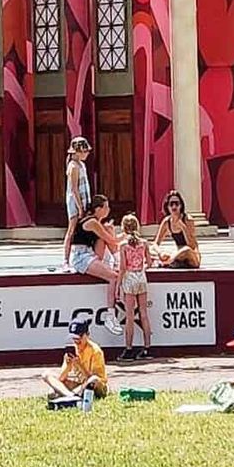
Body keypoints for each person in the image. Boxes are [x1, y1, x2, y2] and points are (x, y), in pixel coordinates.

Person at [63, 193, 122, 335]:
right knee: (113, 277)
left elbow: (107, 240)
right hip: (81, 257)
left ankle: (118, 260)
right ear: (98, 209)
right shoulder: (92, 222)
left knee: (105, 233)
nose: (108, 210)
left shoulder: (98, 224)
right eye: (106, 207)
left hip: (90, 254)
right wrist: (124, 234)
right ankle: (110, 315)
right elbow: (113, 241)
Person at [42, 316, 108, 402]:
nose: (77, 340)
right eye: (74, 337)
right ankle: (71, 396)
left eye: (80, 336)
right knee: (46, 374)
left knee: (93, 380)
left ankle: (68, 396)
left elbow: (94, 380)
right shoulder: (72, 350)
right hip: (78, 385)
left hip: (96, 387)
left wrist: (80, 365)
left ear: (87, 335)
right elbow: (61, 379)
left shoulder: (95, 351)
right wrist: (68, 366)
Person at [117, 214, 153, 361]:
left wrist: (118, 284)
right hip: (141, 277)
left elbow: (123, 267)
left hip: (130, 278)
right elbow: (149, 262)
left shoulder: (123, 246)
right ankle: (147, 347)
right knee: (144, 313)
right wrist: (142, 267)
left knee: (130, 316)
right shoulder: (144, 243)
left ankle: (129, 348)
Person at [155, 190, 201, 268]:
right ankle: (170, 261)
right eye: (171, 204)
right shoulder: (167, 221)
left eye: (177, 203)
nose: (174, 207)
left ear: (181, 205)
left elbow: (192, 246)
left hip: (192, 256)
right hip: (178, 255)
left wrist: (183, 227)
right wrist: (160, 252)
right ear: (167, 206)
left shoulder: (188, 220)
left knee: (186, 250)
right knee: (152, 250)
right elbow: (155, 244)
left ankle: (167, 263)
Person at [63, 137, 93, 247]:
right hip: (75, 202)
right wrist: (80, 207)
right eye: (85, 151)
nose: (87, 153)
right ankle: (66, 258)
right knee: (72, 229)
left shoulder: (81, 165)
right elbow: (74, 188)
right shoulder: (73, 166)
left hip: (84, 199)